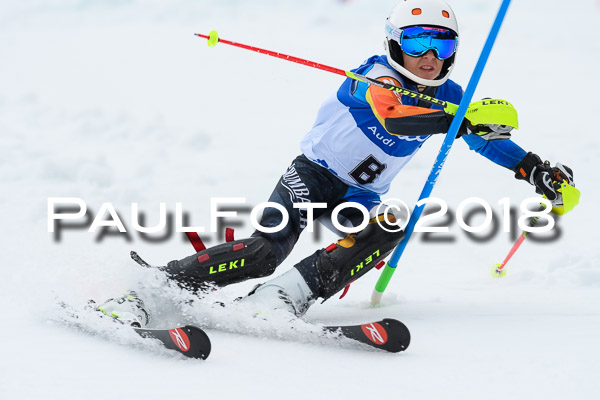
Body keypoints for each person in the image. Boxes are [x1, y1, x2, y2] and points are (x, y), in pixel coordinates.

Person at [97, 0, 575, 327]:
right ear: (394, 42)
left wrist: (533, 168)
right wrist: (461, 121)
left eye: (443, 46)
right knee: (266, 252)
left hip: (361, 196)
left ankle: (282, 298)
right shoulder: (370, 76)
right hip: (312, 176)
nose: (430, 57)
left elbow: (486, 142)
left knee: (391, 224)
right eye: (417, 43)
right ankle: (155, 286)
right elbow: (395, 118)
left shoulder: (452, 97)